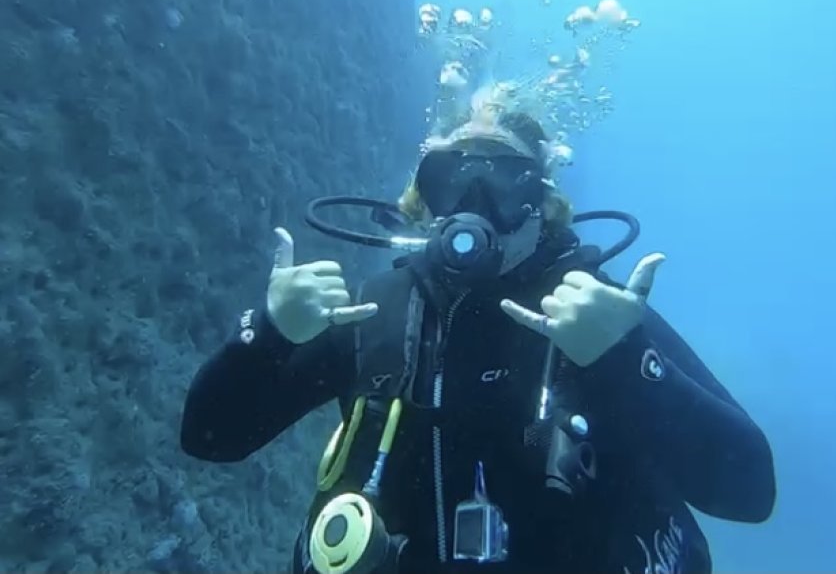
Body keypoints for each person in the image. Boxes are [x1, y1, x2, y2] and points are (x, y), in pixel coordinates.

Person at [180, 111, 776, 574]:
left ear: (543, 207)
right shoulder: (375, 316)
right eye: (450, 180)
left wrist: (627, 361)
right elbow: (212, 436)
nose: (474, 207)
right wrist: (268, 335)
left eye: (505, 182)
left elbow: (751, 489)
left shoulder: (595, 317)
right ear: (420, 200)